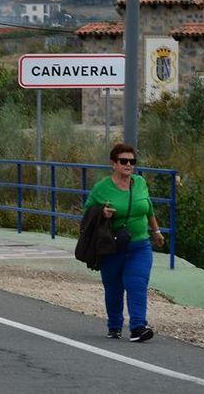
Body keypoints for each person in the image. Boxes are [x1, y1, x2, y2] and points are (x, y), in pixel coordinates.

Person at [84, 143, 164, 342]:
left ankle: (138, 327)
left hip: (140, 245)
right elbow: (87, 215)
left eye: (132, 161)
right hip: (112, 246)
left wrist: (156, 231)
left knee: (136, 283)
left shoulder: (140, 183)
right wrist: (102, 213)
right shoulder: (102, 188)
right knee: (113, 288)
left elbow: (148, 207)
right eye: (124, 161)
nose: (128, 165)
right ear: (114, 164)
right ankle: (114, 325)